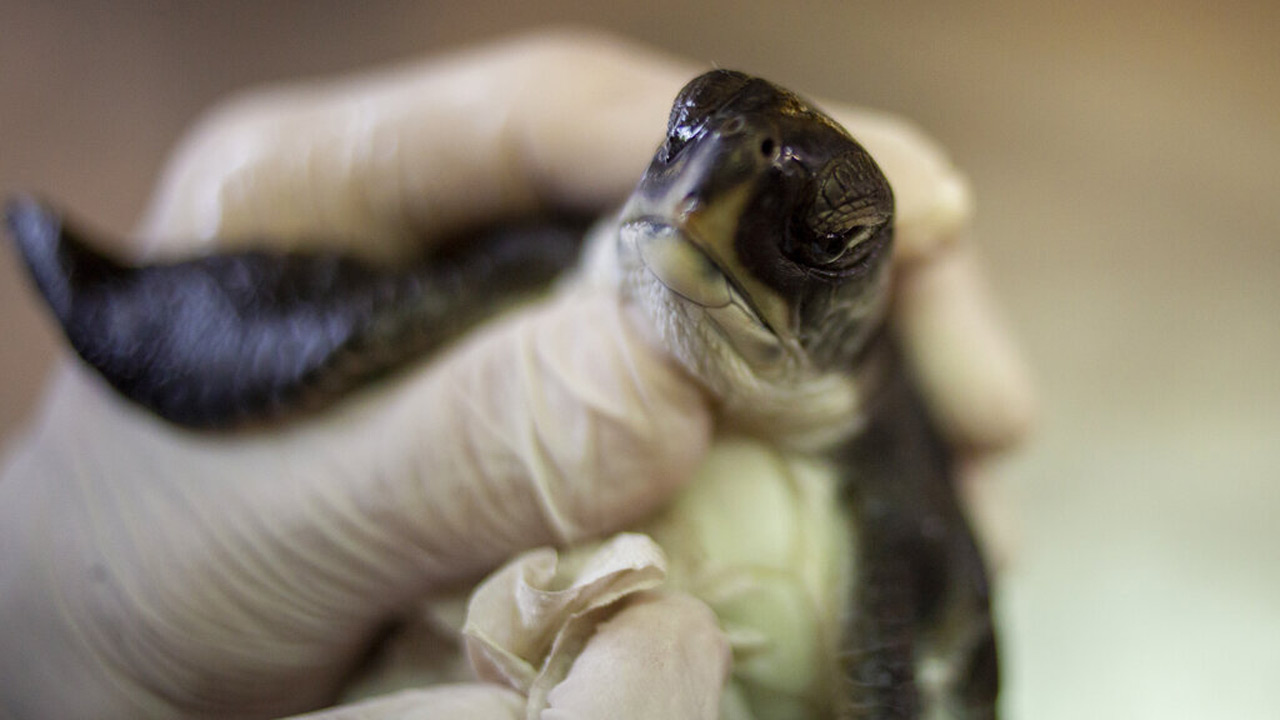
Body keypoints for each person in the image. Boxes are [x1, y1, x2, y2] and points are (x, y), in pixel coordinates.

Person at [0, 30, 1034, 720]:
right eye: (685, 142)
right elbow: (302, 326)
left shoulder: (883, 477)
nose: (703, 199)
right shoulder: (555, 275)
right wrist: (34, 639)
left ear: (860, 288)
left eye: (827, 232)